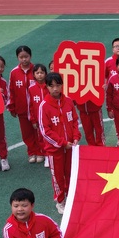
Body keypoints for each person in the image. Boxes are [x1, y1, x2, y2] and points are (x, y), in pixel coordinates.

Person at [39, 73, 81, 214]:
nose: (55, 89)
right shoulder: (44, 106)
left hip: (70, 147)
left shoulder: (68, 101)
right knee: (57, 176)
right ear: (47, 87)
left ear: (62, 85)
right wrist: (62, 143)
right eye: (52, 86)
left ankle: (71, 196)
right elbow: (45, 131)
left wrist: (76, 136)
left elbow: (75, 120)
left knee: (70, 172)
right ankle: (60, 200)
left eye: (58, 85)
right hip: (54, 149)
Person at [7, 45, 44, 164]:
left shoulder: (36, 70)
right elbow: (11, 90)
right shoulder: (14, 73)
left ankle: (40, 151)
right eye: (21, 57)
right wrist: (11, 106)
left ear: (30, 56)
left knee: (38, 130)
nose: (24, 59)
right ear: (17, 58)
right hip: (21, 108)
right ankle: (31, 152)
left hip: (37, 108)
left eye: (26, 56)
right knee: (26, 132)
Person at [28, 63, 49, 167]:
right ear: (34, 75)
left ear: (45, 74)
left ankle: (51, 155)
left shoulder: (49, 86)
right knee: (41, 137)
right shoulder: (31, 88)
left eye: (42, 72)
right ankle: (46, 156)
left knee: (51, 136)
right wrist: (33, 120)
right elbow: (31, 105)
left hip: (50, 117)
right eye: (37, 73)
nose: (40, 75)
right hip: (38, 119)